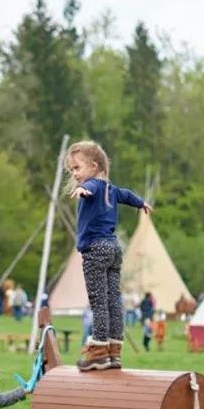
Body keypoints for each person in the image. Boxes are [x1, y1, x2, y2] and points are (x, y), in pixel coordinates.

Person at [65, 140, 152, 372]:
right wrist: (140, 202)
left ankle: (99, 352)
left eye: (77, 168)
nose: (74, 174)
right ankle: (115, 351)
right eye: (71, 170)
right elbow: (127, 195)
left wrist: (84, 190)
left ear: (93, 166)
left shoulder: (92, 185)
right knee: (114, 301)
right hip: (114, 249)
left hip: (95, 249)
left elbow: (91, 187)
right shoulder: (111, 189)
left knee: (99, 301)